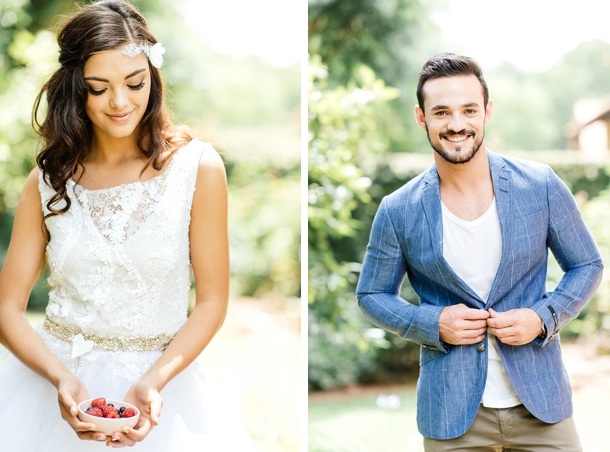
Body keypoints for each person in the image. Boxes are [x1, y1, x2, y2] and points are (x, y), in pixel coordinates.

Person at [0, 1, 255, 450]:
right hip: (54, 388)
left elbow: (212, 301)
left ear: (152, 77)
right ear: (75, 90)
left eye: (134, 83)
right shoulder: (46, 181)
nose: (120, 102)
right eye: (98, 88)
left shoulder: (198, 167)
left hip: (161, 388)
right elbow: (6, 309)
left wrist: (153, 382)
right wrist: (60, 378)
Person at [356, 52, 603, 451]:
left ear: (487, 112)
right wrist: (432, 323)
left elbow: (587, 263)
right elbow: (371, 294)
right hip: (450, 413)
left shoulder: (539, 185)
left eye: (468, 110)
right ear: (422, 118)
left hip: (540, 404)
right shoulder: (398, 208)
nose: (456, 124)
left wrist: (542, 318)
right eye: (441, 112)